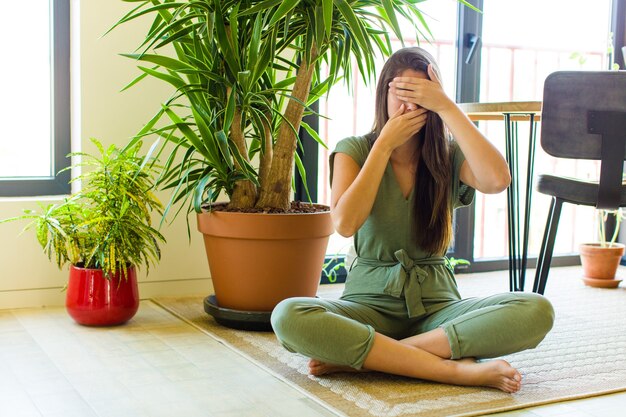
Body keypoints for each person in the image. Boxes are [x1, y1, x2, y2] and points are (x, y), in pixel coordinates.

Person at [271, 47, 554, 394]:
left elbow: (498, 180)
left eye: (421, 98)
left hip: (437, 311)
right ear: (383, 95)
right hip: (367, 308)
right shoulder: (355, 149)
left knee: (536, 309)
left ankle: (375, 358)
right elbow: (344, 223)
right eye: (401, 94)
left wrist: (448, 107)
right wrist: (384, 146)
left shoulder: (448, 156)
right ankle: (456, 371)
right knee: (287, 315)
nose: (409, 107)